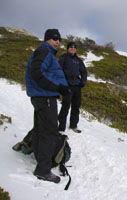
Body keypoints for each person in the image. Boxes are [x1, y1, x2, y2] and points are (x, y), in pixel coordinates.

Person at [25, 29, 69, 183]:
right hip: (45, 98)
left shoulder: (46, 52)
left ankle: (40, 158)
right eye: (54, 39)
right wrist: (57, 88)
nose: (57, 42)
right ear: (47, 39)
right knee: (49, 132)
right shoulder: (43, 52)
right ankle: (43, 170)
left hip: (42, 97)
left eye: (59, 39)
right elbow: (36, 74)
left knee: (40, 130)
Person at [58, 42, 87, 133]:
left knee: (76, 106)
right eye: (71, 47)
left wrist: (83, 82)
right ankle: (61, 127)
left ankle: (73, 125)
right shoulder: (63, 58)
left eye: (74, 47)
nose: (73, 48)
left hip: (77, 86)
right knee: (65, 106)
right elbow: (59, 71)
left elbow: (84, 72)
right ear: (68, 48)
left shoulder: (78, 60)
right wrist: (63, 84)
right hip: (67, 85)